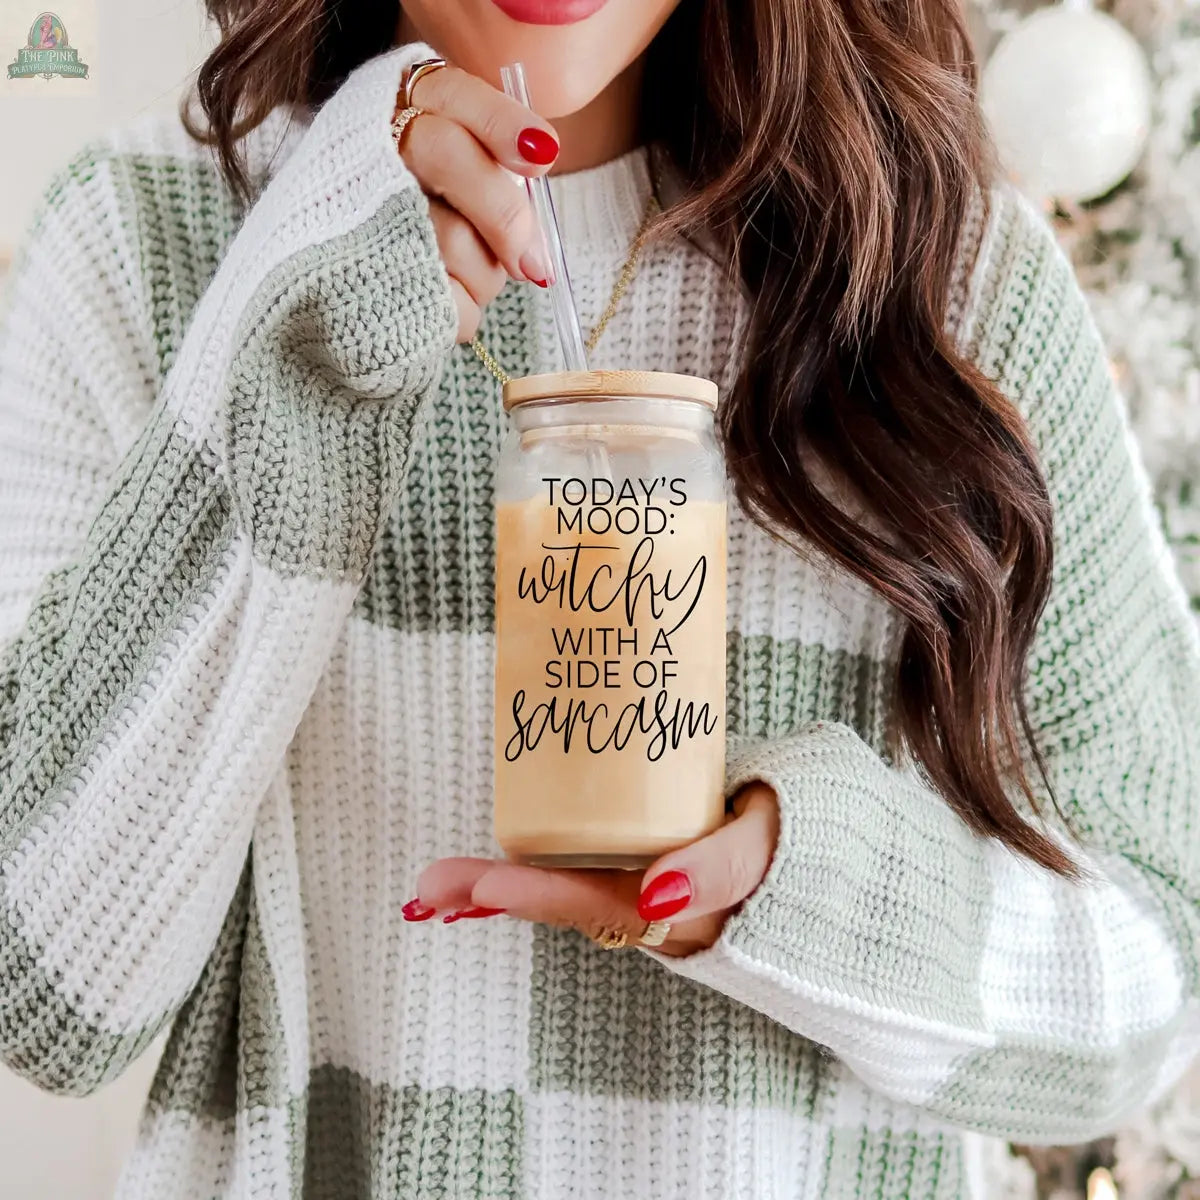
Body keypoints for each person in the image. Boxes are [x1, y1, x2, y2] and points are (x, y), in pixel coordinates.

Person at [0, 1, 1197, 1196]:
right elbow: (44, 990)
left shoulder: (935, 270)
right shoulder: (147, 235)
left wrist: (811, 889)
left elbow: (1165, 967)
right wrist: (286, 344)